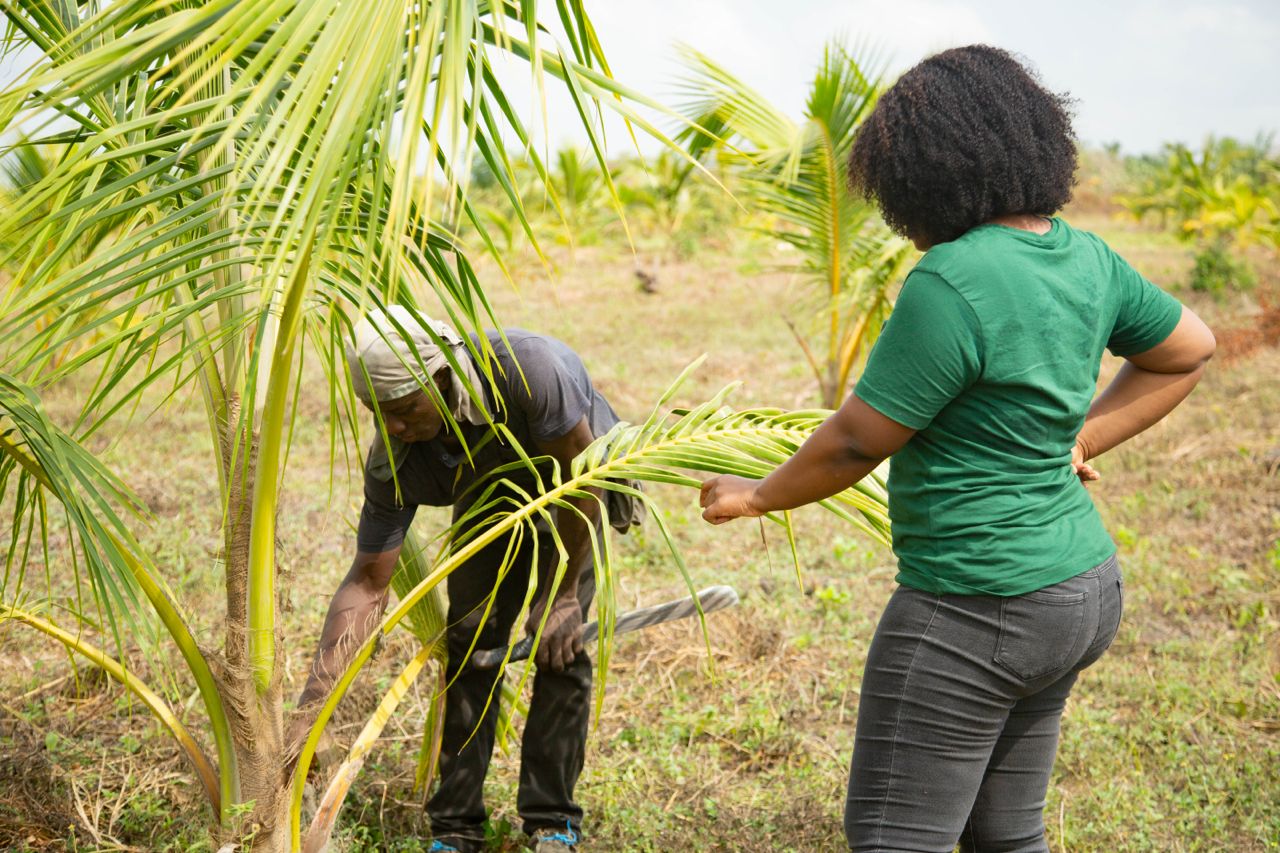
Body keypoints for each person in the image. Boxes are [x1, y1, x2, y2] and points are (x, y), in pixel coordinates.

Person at [699, 45, 1216, 852]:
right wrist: (1074, 438)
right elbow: (1189, 347)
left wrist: (753, 495)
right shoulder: (1083, 254)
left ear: (920, 174)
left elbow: (853, 443)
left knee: (896, 838)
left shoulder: (952, 280)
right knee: (1006, 836)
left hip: (978, 609)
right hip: (1080, 590)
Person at [295, 306, 639, 853]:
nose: (396, 427)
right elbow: (366, 583)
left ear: (440, 375)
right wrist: (310, 709)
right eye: (379, 414)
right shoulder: (395, 460)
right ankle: (456, 830)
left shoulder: (529, 371)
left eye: (406, 408)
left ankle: (552, 822)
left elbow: (581, 478)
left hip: (576, 482)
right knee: (472, 642)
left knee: (560, 646)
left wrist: (561, 597)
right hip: (490, 492)